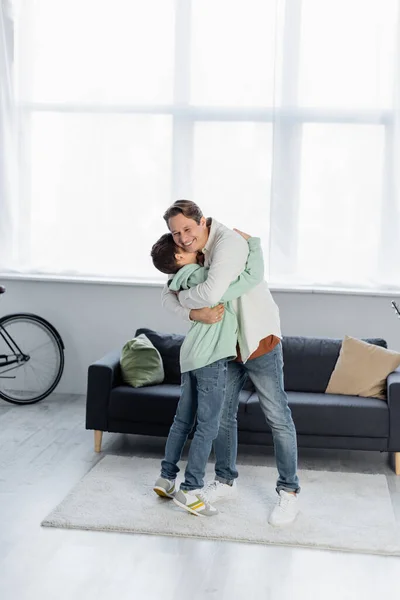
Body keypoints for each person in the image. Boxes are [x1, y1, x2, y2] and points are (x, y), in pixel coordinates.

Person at [161, 200, 300, 527]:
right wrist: (192, 311)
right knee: (223, 416)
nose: (182, 238)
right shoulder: (188, 249)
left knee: (277, 415)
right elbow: (166, 292)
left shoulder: (229, 243)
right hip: (224, 345)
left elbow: (210, 294)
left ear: (201, 221)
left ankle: (289, 491)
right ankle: (225, 481)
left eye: (187, 229)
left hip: (257, 338)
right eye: (175, 233)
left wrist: (187, 299)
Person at [151, 229, 264, 517]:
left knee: (182, 420)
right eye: (183, 245)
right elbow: (250, 278)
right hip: (211, 357)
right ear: (179, 256)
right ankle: (191, 490)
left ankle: (166, 479)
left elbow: (171, 298)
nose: (191, 243)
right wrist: (253, 243)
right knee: (208, 426)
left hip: (191, 355)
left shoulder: (178, 282)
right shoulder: (203, 280)